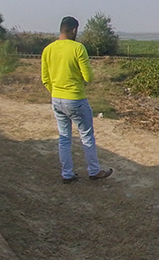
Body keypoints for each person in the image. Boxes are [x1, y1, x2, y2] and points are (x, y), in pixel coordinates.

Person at [41, 16, 112, 183]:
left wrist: (56, 91)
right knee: (86, 136)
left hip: (57, 99)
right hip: (76, 99)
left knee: (64, 138)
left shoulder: (48, 50)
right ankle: (94, 171)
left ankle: (67, 174)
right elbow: (88, 77)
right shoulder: (78, 48)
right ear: (74, 30)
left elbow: (45, 79)